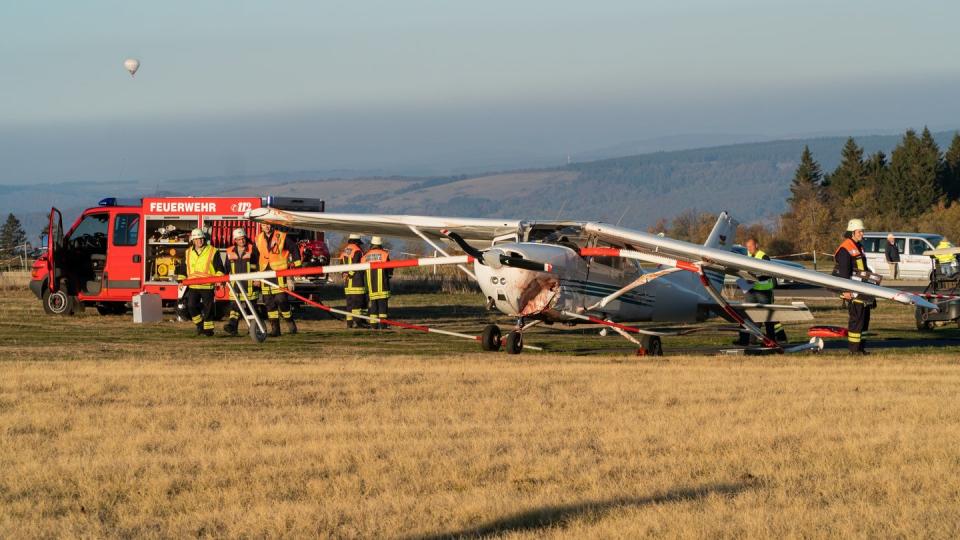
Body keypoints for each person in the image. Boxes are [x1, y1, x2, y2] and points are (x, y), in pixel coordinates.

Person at [735, 238, 788, 345]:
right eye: (747, 247)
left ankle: (771, 340)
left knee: (767, 317)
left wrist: (755, 276)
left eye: (750, 246)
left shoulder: (763, 256)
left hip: (763, 292)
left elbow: (768, 273)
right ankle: (745, 340)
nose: (749, 249)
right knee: (747, 315)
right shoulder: (748, 256)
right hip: (751, 291)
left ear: (757, 245)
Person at [255, 222, 301, 337]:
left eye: (269, 224)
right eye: (264, 225)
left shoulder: (281, 236)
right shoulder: (258, 238)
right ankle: (275, 329)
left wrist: (296, 264)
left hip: (279, 273)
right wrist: (255, 275)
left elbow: (294, 248)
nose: (267, 227)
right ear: (261, 226)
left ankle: (290, 321)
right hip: (265, 273)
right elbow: (256, 257)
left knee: (281, 300)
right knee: (269, 303)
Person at [834, 219, 873, 355]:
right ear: (852, 232)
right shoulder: (845, 249)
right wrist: (845, 291)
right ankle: (854, 350)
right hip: (853, 291)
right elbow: (844, 272)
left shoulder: (858, 246)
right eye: (860, 231)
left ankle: (861, 348)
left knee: (864, 319)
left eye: (862, 231)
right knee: (856, 320)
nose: (862, 233)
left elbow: (863, 268)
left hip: (862, 288)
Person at [180, 228, 225, 336]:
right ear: (193, 240)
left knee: (208, 308)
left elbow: (219, 268)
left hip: (207, 285)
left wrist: (219, 280)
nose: (199, 241)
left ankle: (208, 330)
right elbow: (183, 268)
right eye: (197, 239)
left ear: (204, 239)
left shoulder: (213, 251)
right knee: (191, 306)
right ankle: (200, 325)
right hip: (193, 285)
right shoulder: (187, 252)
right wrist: (181, 280)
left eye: (201, 239)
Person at [222, 228, 259, 336]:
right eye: (239, 239)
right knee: (234, 307)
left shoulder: (252, 249)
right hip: (236, 285)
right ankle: (232, 327)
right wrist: (223, 280)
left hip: (250, 285)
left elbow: (257, 265)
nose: (241, 241)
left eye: (243, 239)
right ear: (235, 240)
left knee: (251, 309)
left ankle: (253, 330)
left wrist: (257, 279)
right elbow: (227, 267)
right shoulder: (230, 251)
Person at [362, 236, 392, 329]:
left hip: (371, 286)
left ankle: (373, 325)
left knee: (374, 306)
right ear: (380, 245)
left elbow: (362, 270)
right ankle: (383, 325)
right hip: (383, 285)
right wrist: (389, 276)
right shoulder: (384, 254)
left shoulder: (365, 256)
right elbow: (390, 268)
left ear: (372, 244)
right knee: (383, 307)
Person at [339, 234, 368, 328]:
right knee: (358, 303)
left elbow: (340, 263)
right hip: (357, 280)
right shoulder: (357, 250)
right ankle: (358, 322)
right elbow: (356, 264)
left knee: (350, 303)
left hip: (347, 282)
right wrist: (350, 274)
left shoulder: (345, 250)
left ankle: (349, 323)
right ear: (356, 241)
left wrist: (344, 274)